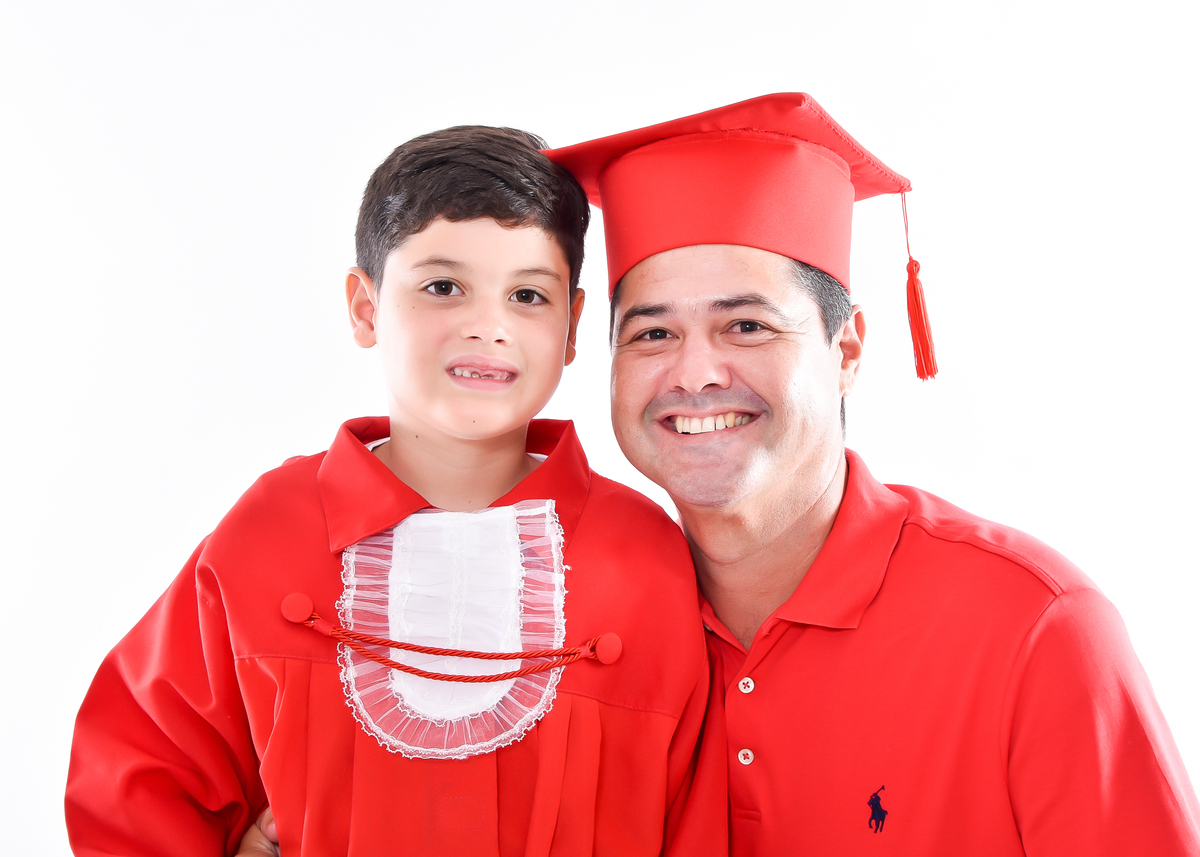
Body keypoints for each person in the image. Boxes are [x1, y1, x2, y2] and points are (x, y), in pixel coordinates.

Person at [542, 93, 1200, 855]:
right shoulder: (586, 631)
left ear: (847, 350)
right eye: (653, 333)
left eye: (747, 325)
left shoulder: (1033, 627)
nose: (695, 374)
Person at [65, 126, 723, 857]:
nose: (488, 326)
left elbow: (701, 816)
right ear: (365, 306)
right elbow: (139, 776)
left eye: (527, 295)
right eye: (443, 287)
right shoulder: (269, 530)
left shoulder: (649, 557)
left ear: (572, 327)